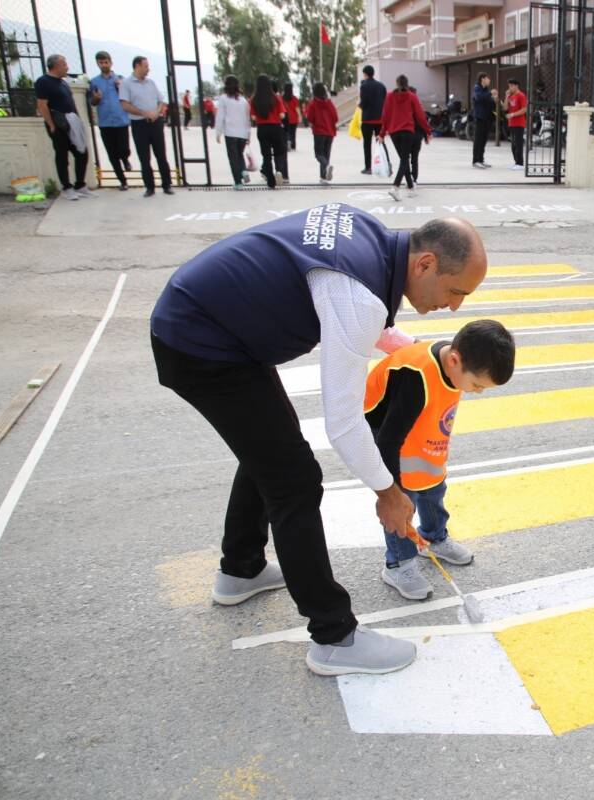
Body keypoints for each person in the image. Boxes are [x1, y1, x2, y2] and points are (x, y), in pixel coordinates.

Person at [150, 210, 489, 675]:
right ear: (426, 264)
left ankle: (240, 570)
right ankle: (334, 637)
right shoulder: (360, 295)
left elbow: (359, 319)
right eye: (456, 292)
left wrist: (419, 348)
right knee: (295, 481)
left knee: (270, 449)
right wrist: (389, 493)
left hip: (213, 322)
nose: (455, 308)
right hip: (202, 343)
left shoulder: (375, 242)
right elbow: (345, 422)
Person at [365, 320, 515, 599]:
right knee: (403, 501)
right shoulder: (415, 378)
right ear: (455, 360)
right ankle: (399, 564)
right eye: (477, 385)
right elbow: (388, 440)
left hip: (423, 431)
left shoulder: (456, 365)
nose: (478, 391)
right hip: (388, 434)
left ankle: (435, 537)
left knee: (433, 484)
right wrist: (391, 491)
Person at [35, 54, 93, 201]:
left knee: (82, 153)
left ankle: (80, 185)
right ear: (55, 66)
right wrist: (51, 125)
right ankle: (67, 187)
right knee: (62, 156)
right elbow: (42, 105)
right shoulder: (43, 82)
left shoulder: (63, 82)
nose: (67, 67)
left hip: (72, 123)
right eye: (64, 64)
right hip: (58, 124)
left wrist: (77, 121)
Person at [119, 56, 173, 197]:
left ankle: (167, 185)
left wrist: (156, 112)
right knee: (144, 157)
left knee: (161, 155)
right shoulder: (126, 84)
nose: (148, 69)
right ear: (137, 66)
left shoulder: (151, 83)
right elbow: (125, 105)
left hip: (156, 123)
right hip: (139, 124)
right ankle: (150, 187)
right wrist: (144, 113)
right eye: (146, 66)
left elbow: (161, 101)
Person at [379, 74, 431, 202]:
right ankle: (395, 187)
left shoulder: (389, 96)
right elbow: (420, 116)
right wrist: (427, 131)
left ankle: (411, 187)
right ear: (407, 84)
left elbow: (385, 115)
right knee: (404, 160)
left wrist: (382, 134)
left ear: (396, 83)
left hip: (394, 132)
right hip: (407, 131)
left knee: (404, 160)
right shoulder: (411, 97)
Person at [88, 51, 132, 192]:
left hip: (121, 120)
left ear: (111, 62)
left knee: (123, 148)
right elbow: (92, 102)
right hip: (105, 122)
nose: (104, 64)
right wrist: (96, 98)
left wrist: (120, 87)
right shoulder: (94, 82)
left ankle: (125, 159)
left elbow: (128, 98)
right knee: (112, 154)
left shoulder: (120, 79)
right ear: (98, 64)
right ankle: (122, 181)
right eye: (101, 62)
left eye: (106, 62)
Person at [250, 74, 288, 189]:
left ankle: (271, 181)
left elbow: (253, 118)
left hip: (262, 129)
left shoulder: (254, 99)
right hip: (275, 128)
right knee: (279, 152)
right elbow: (282, 115)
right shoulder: (276, 98)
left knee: (266, 156)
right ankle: (279, 171)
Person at [214, 75, 252, 190]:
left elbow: (220, 116)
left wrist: (218, 132)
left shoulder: (224, 99)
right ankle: (243, 171)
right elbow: (247, 119)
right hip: (243, 133)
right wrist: (248, 134)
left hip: (230, 133)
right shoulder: (243, 100)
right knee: (239, 155)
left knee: (233, 158)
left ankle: (238, 182)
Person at [305, 82, 339, 185]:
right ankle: (323, 177)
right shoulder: (329, 103)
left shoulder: (313, 104)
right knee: (326, 154)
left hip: (319, 132)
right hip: (330, 133)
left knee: (319, 154)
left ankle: (327, 166)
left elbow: (309, 118)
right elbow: (336, 118)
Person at [358, 65, 387, 175]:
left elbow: (364, 102)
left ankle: (368, 167)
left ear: (365, 74)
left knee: (367, 144)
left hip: (367, 120)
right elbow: (384, 101)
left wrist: (359, 105)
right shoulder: (381, 86)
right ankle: (386, 164)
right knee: (381, 142)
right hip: (380, 119)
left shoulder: (364, 86)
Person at [471, 73, 497, 169]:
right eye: (488, 78)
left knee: (484, 140)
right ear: (482, 79)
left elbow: (488, 101)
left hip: (487, 118)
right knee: (478, 139)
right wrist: (490, 94)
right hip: (480, 118)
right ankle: (475, 160)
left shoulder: (485, 90)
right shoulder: (477, 88)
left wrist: (494, 99)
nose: (489, 80)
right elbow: (479, 98)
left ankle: (481, 159)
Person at [502, 78, 528, 170]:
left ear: (517, 86)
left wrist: (513, 114)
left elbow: (524, 109)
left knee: (518, 143)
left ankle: (520, 163)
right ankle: (516, 162)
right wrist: (506, 96)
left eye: (512, 86)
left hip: (519, 123)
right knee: (513, 144)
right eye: (509, 86)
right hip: (511, 123)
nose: (510, 88)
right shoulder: (511, 96)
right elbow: (505, 108)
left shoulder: (521, 95)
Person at [282, 83, 300, 150]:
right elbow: (297, 108)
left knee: (286, 132)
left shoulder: (282, 98)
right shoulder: (294, 98)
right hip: (294, 118)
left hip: (285, 118)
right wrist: (300, 116)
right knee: (293, 132)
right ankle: (293, 145)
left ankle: (287, 142)